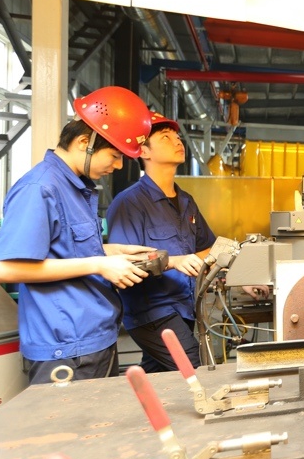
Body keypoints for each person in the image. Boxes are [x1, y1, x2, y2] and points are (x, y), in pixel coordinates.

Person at [0, 86, 154, 385]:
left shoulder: (77, 188)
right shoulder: (40, 188)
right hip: (65, 350)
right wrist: (99, 265)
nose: (117, 166)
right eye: (115, 156)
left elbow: (65, 251)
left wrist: (111, 252)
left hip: (95, 338)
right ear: (83, 142)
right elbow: (5, 268)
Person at [106, 112, 266, 373]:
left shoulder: (186, 201)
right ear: (143, 151)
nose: (177, 141)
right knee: (197, 371)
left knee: (162, 377)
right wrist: (174, 261)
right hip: (153, 313)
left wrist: (241, 277)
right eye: (166, 137)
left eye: (178, 136)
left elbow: (211, 248)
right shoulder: (129, 203)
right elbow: (124, 264)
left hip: (184, 307)